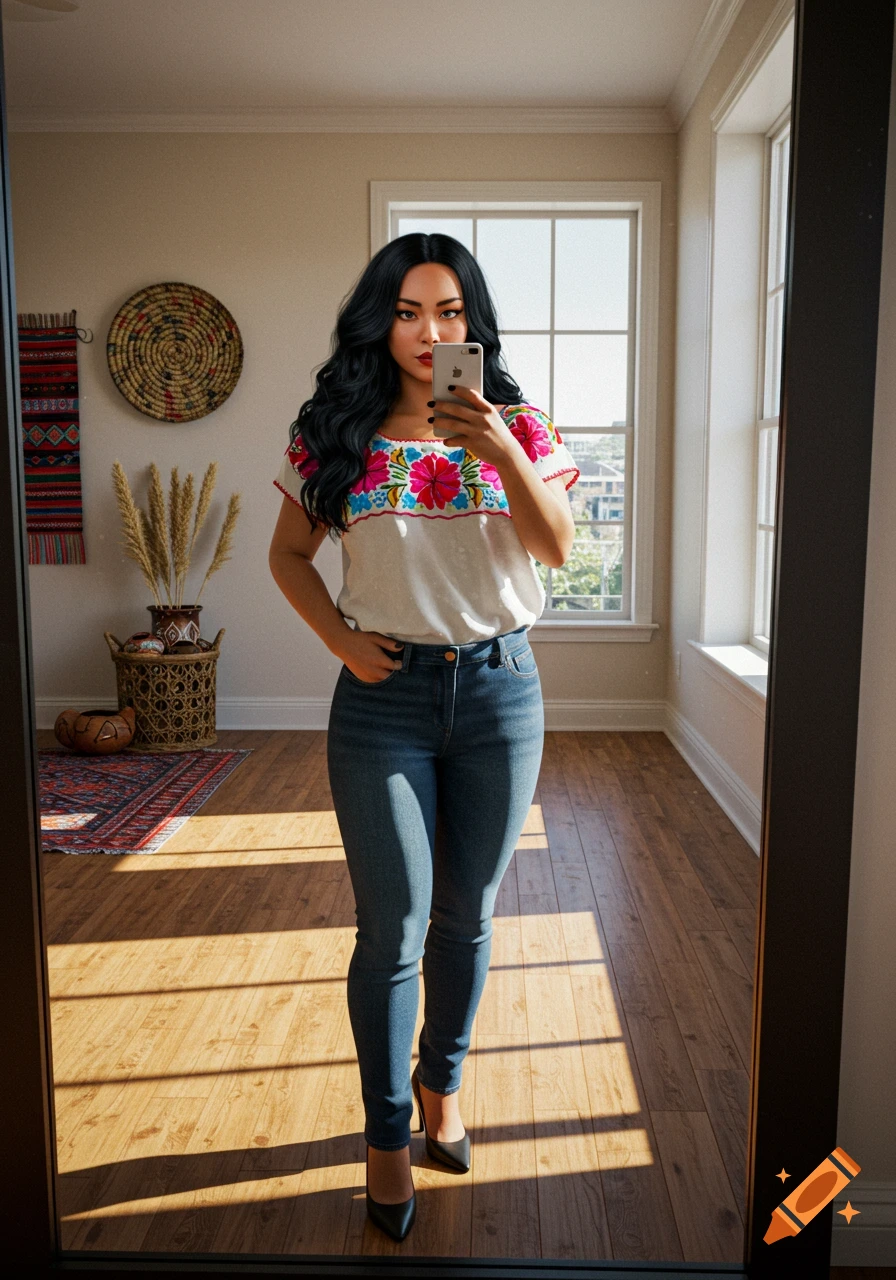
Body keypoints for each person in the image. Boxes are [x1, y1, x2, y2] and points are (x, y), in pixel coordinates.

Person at [268, 233, 580, 1242]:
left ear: (472, 322)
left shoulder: (519, 426)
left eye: (448, 312)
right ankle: (386, 1134)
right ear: (380, 320)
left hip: (499, 695)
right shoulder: (335, 431)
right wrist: (339, 639)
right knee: (392, 928)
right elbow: (287, 554)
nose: (427, 332)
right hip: (383, 703)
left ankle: (442, 1084)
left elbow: (556, 549)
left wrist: (498, 450)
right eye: (406, 312)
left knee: (466, 919)